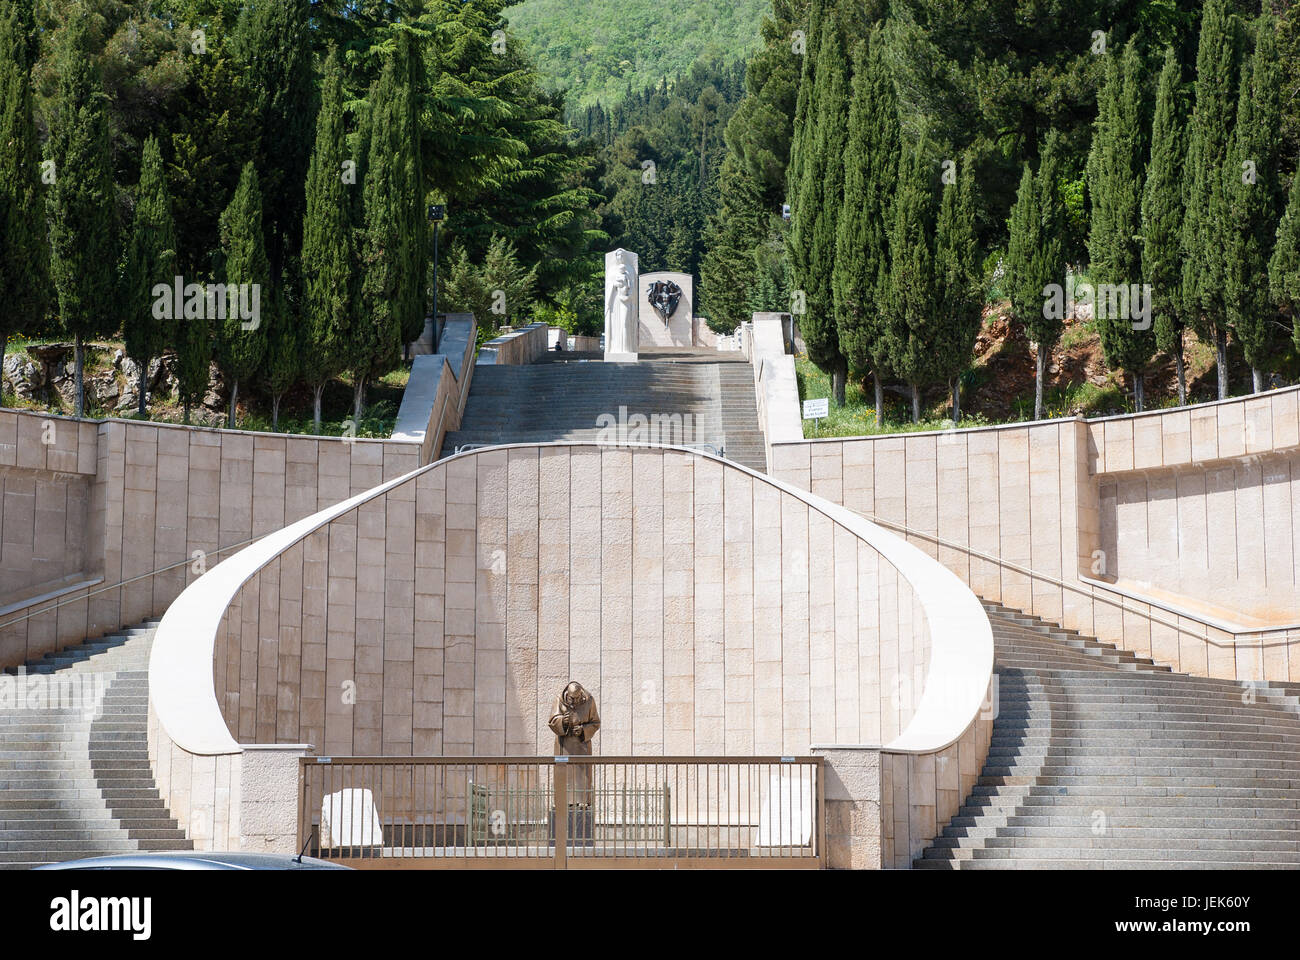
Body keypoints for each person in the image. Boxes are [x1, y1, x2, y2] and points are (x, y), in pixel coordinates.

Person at [548, 681, 600, 806]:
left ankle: (583, 802)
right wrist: (563, 721)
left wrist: (583, 730)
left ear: (581, 693)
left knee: (582, 777)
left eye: (577, 698)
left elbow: (595, 723)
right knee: (564, 775)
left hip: (582, 746)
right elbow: (552, 721)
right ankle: (562, 802)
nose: (574, 701)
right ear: (567, 694)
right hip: (564, 745)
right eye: (572, 698)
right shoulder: (559, 700)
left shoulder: (589, 701)